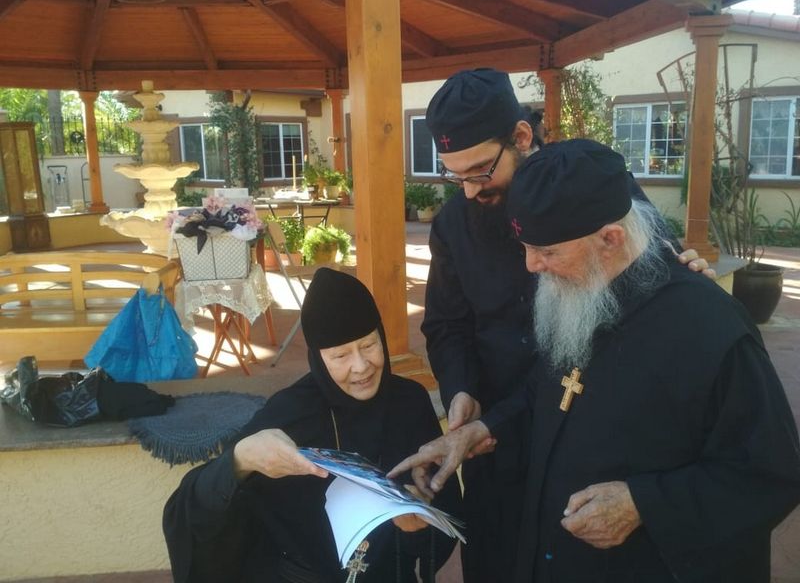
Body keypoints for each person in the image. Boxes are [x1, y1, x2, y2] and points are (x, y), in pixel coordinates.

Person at [392, 139, 800, 582]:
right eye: (526, 247)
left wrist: (642, 504)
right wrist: (483, 429)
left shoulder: (710, 326)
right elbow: (551, 391)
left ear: (610, 239)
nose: (531, 266)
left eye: (547, 251)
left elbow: (772, 474)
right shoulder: (580, 297)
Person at [421, 67, 711, 580]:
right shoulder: (451, 226)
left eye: (480, 172)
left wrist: (686, 277)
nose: (467, 191)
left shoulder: (589, 183)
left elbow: (653, 268)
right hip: (496, 431)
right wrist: (460, 387)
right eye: (455, 176)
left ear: (521, 137)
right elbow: (447, 324)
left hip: (592, 432)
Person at [163, 268, 461, 583]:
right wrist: (241, 459)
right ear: (318, 358)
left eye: (369, 345)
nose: (361, 366)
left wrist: (418, 525)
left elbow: (445, 513)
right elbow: (191, 508)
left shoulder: (410, 403)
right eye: (341, 355)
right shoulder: (290, 413)